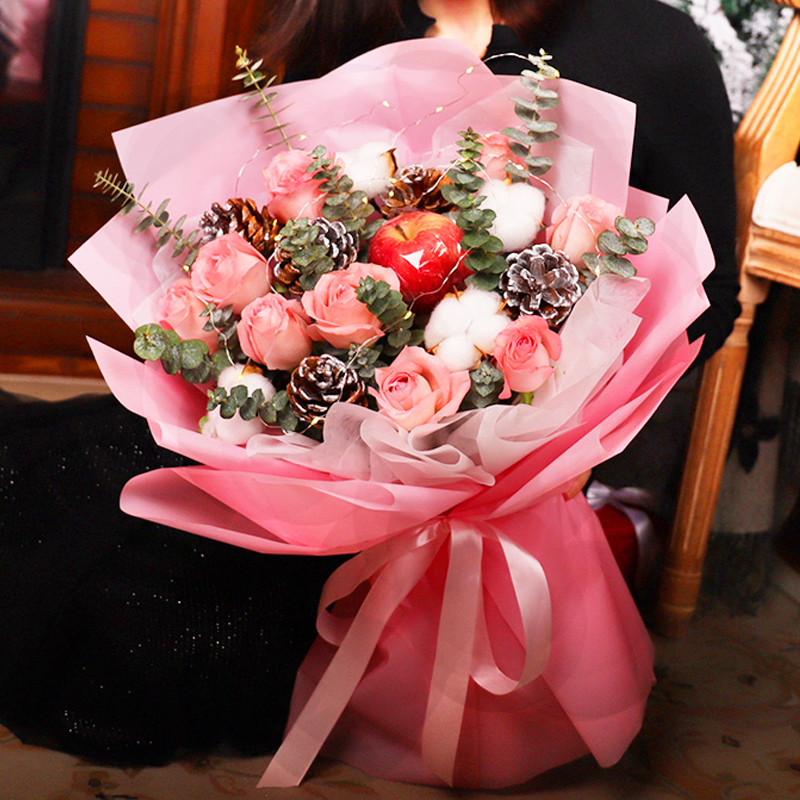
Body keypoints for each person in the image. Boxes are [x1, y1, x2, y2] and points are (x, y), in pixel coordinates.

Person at [0, 0, 739, 770]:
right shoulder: (352, 20)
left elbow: (708, 298)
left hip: (501, 481)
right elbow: (292, 233)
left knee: (150, 634)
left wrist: (551, 432)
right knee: (72, 508)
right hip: (309, 451)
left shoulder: (649, 44)